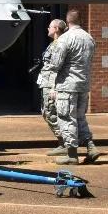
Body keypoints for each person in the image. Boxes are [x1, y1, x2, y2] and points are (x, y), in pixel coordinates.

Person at [44, 9, 101, 165]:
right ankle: (91, 147)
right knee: (80, 118)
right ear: (80, 20)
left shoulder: (65, 39)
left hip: (67, 85)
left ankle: (72, 155)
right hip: (83, 84)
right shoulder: (89, 38)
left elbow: (55, 64)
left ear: (67, 22)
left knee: (66, 118)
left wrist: (52, 85)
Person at [38, 19, 69, 156]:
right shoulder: (54, 44)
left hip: (51, 83)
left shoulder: (59, 45)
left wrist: (53, 87)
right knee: (47, 112)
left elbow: (57, 68)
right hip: (46, 82)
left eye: (49, 26)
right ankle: (63, 142)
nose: (47, 29)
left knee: (50, 113)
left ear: (56, 28)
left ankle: (64, 143)